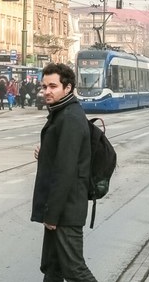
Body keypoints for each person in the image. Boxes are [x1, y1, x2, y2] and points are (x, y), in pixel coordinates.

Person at [31, 62, 97, 282]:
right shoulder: (62, 113)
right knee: (52, 268)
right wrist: (46, 151)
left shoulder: (69, 117)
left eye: (52, 86)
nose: (47, 91)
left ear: (67, 88)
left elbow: (66, 171)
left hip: (65, 211)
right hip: (60, 208)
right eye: (44, 86)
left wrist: (52, 215)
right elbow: (62, 157)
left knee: (75, 271)